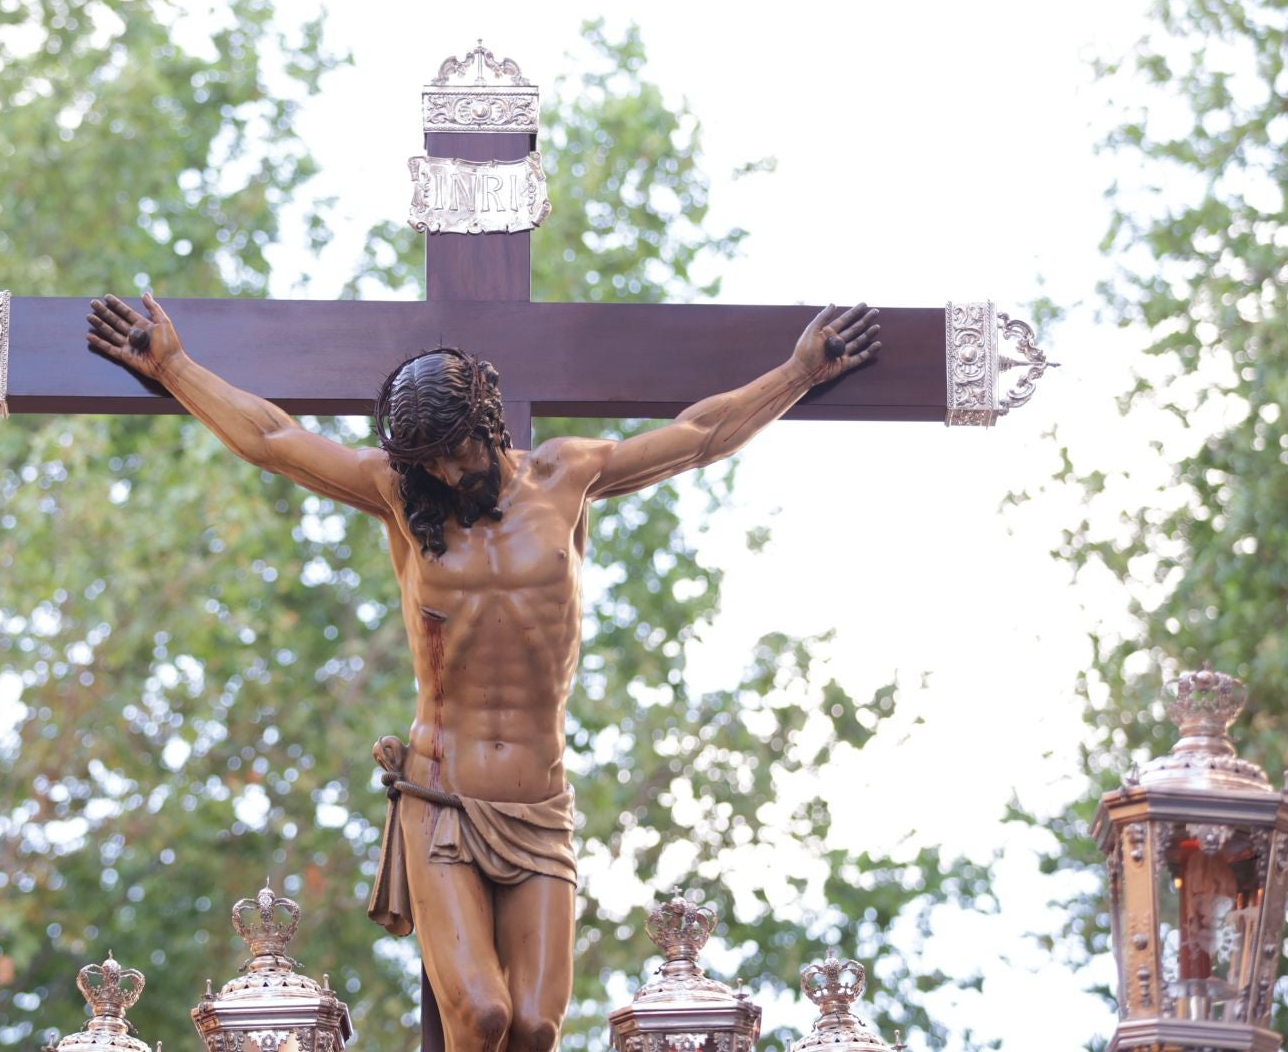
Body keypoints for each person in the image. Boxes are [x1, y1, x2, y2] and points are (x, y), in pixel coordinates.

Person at [85, 293, 880, 1052]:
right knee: (484, 1015)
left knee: (536, 1029)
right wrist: (175, 368)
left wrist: (799, 373)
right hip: (442, 793)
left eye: (456, 449)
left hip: (539, 800)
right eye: (427, 460)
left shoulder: (567, 476)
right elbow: (274, 438)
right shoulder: (400, 494)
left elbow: (700, 434)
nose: (446, 471)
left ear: (487, 419)